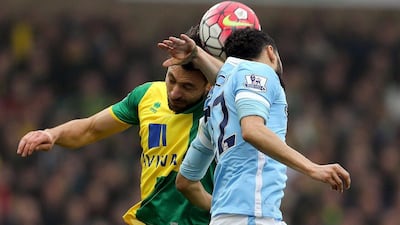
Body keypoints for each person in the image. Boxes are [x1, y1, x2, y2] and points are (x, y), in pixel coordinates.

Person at [16, 25, 218, 225]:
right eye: (171, 79)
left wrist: (202, 58)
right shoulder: (147, 96)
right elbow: (90, 129)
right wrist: (52, 134)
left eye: (187, 87)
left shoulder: (220, 107)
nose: (174, 92)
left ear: (209, 86)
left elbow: (239, 80)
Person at [169, 28, 351, 225]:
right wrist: (313, 168)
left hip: (226, 218)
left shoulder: (213, 106)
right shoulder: (260, 71)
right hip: (253, 216)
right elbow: (252, 130)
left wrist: (225, 210)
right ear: (271, 52)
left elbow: (185, 181)